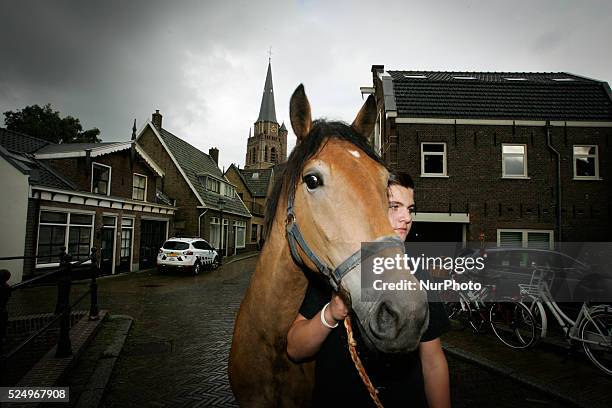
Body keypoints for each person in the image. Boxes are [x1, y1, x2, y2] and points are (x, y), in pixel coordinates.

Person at [286, 171, 450, 408]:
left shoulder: (419, 271)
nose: (406, 217)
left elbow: (433, 362)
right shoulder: (333, 266)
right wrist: (330, 313)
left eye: (410, 208)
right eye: (394, 206)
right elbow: (295, 349)